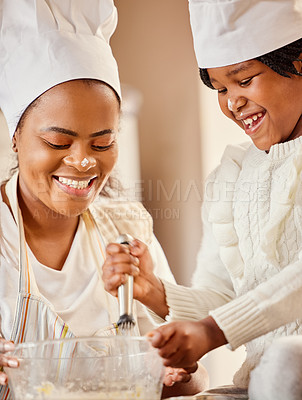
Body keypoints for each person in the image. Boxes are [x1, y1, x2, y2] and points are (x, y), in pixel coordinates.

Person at [0, 0, 208, 398]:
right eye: (58, 141)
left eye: (103, 142)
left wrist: (182, 369)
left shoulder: (127, 229)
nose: (82, 161)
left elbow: (190, 380)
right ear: (16, 136)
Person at [102, 0, 302, 397]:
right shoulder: (231, 178)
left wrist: (212, 331)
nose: (232, 102)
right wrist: (153, 291)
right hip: (259, 386)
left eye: (244, 81)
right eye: (221, 88)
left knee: (284, 363)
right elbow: (223, 295)